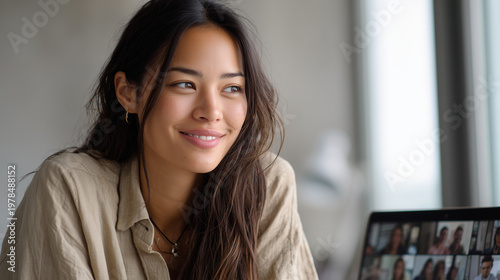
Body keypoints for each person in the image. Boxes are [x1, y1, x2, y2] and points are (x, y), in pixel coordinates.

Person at [0, 0, 318, 279]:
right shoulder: (69, 189)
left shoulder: (268, 185)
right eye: (184, 84)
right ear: (128, 93)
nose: (212, 111)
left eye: (232, 88)